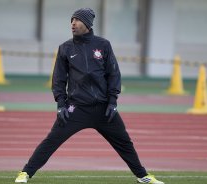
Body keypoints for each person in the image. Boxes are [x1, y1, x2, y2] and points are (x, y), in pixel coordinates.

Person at [15, 8, 164, 184]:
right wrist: (61, 104)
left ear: (87, 24)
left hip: (104, 109)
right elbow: (59, 80)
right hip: (76, 108)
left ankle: (143, 176)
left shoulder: (103, 45)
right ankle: (25, 173)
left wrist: (113, 102)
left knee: (125, 143)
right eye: (72, 20)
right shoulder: (65, 48)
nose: (73, 23)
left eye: (77, 20)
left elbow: (114, 74)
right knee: (52, 141)